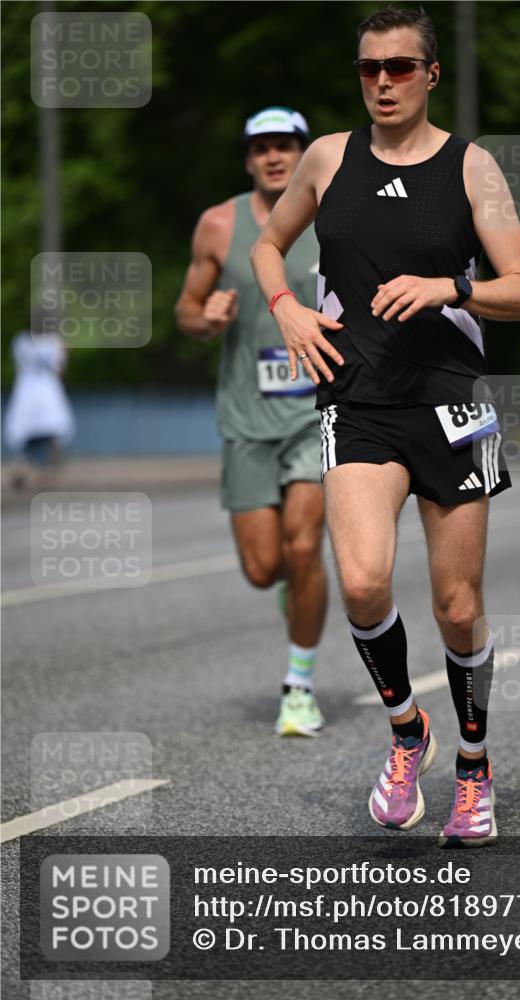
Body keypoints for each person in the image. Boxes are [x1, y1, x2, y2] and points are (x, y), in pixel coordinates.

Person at [251, 8, 520, 843]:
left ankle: (473, 768)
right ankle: (405, 732)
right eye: (368, 68)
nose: (382, 82)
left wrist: (448, 288)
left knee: (456, 608)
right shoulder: (327, 158)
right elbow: (267, 248)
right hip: (357, 400)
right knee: (365, 581)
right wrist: (288, 313)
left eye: (398, 67)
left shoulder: (470, 167)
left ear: (430, 75)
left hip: (450, 403)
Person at [175, 107, 327, 737]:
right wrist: (205, 318)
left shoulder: (334, 215)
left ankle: (299, 686)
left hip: (318, 413)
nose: (273, 157)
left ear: (302, 152)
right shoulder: (218, 224)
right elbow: (185, 309)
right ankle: (295, 590)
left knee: (303, 545)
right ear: (248, 159)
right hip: (245, 418)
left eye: (285, 146)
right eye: (261, 148)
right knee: (265, 568)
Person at [4, 327, 74, 490]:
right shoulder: (53, 341)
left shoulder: (20, 340)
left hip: (25, 391)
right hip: (47, 391)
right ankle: (47, 471)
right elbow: (59, 368)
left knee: (28, 436)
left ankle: (24, 466)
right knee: (55, 432)